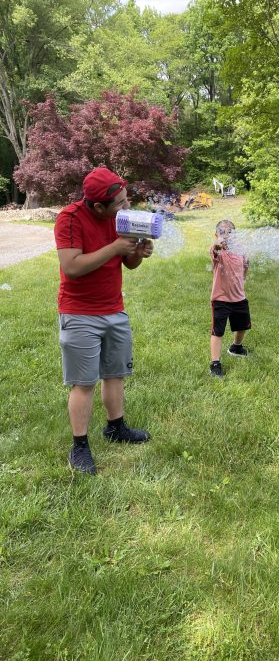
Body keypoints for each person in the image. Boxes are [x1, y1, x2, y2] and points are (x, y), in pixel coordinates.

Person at [54, 167, 154, 475]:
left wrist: (139, 251)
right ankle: (80, 446)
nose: (126, 208)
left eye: (126, 200)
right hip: (79, 312)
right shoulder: (69, 219)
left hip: (114, 309)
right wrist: (114, 247)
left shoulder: (120, 219)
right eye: (120, 203)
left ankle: (116, 428)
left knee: (115, 373)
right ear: (98, 206)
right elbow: (71, 266)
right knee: (84, 382)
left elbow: (129, 263)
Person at [209, 219, 251, 378]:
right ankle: (215, 363)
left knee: (242, 326)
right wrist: (217, 245)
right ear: (216, 234)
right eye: (222, 232)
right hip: (220, 299)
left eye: (230, 232)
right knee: (217, 331)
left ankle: (236, 347)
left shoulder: (241, 252)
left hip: (239, 297)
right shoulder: (217, 252)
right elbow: (214, 249)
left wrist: (243, 280)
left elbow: (245, 267)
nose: (226, 235)